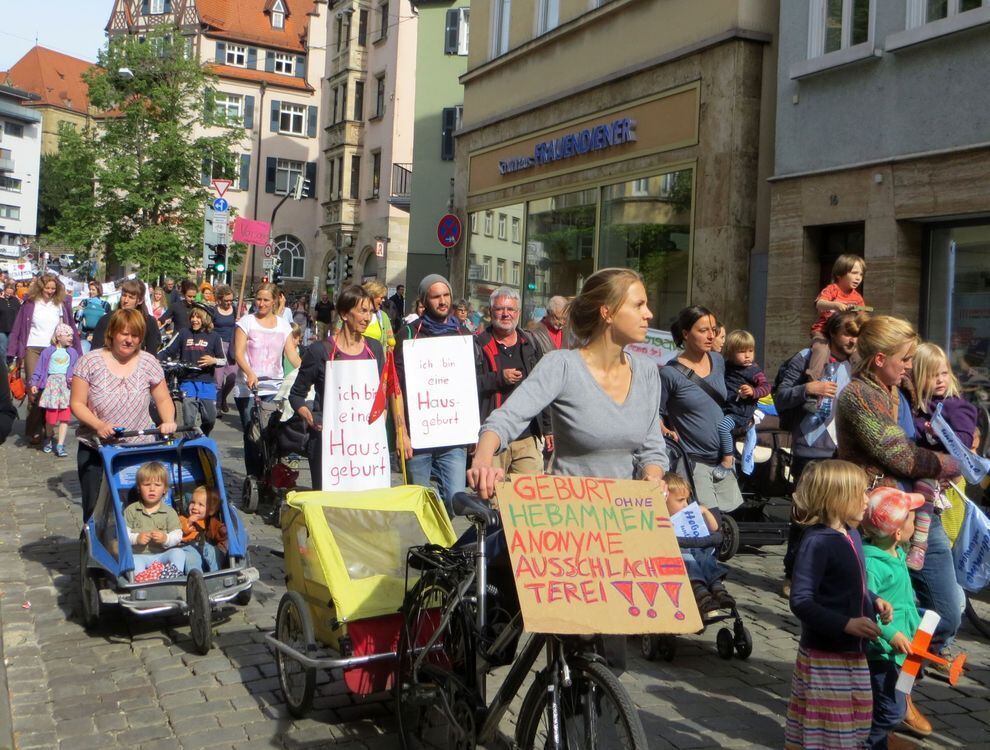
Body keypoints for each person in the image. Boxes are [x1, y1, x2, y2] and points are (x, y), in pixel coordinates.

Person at [468, 267, 668, 673]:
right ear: (607, 312)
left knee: (610, 661)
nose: (649, 314)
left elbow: (652, 445)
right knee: (517, 635)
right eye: (639, 304)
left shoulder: (647, 373)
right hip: (565, 528)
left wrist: (653, 477)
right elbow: (506, 420)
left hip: (618, 528)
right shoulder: (563, 366)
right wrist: (484, 458)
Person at [835, 315, 963, 681]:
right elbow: (901, 456)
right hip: (879, 522)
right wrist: (952, 463)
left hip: (920, 512)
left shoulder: (900, 391)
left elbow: (945, 405)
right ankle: (895, 688)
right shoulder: (858, 396)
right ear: (879, 359)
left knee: (948, 611)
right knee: (884, 607)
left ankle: (906, 674)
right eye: (904, 358)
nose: (910, 365)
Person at [785, 459, 892, 750]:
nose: (867, 498)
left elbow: (853, 585)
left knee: (852, 723)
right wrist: (846, 624)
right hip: (827, 653)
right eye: (861, 492)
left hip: (853, 653)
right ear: (838, 497)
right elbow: (801, 601)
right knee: (831, 728)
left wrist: (874, 599)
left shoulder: (853, 534)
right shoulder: (817, 542)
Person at [774, 310, 865, 593]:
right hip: (811, 446)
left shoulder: (859, 365)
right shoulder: (806, 357)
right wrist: (807, 388)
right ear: (833, 333)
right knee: (805, 512)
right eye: (848, 333)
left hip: (844, 449)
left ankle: (830, 574)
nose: (853, 340)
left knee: (842, 514)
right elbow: (780, 397)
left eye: (857, 335)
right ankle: (793, 572)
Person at [70, 309, 177, 520]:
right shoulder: (89, 362)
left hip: (137, 447)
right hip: (97, 447)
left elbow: (163, 398)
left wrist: (168, 421)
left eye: (135, 336)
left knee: (139, 510)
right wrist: (99, 425)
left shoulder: (148, 362)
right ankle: (94, 546)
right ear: (112, 333)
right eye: (124, 334)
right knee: (94, 511)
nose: (129, 340)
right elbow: (77, 403)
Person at [290, 285, 385, 490]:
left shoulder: (374, 350)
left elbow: (380, 394)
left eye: (370, 311)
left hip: (365, 445)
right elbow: (296, 395)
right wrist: (311, 417)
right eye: (362, 311)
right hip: (328, 444)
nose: (367, 318)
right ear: (343, 314)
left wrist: (381, 419)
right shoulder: (319, 351)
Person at [395, 275, 472, 514]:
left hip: (453, 436)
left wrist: (472, 431)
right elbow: (396, 387)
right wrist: (402, 432)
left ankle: (442, 542)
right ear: (424, 300)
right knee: (419, 500)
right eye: (436, 296)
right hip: (418, 437)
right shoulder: (409, 334)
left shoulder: (462, 334)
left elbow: (470, 385)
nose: (442, 301)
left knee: (455, 499)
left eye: (446, 295)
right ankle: (431, 547)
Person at [861, 486, 928, 749]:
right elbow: (864, 607)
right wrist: (890, 634)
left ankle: (879, 736)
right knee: (890, 709)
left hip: (902, 645)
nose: (917, 521)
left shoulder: (896, 552)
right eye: (912, 518)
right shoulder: (872, 564)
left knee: (890, 701)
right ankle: (871, 742)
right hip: (882, 651)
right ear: (898, 533)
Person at [659, 306, 743, 512]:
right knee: (709, 524)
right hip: (694, 462)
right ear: (686, 334)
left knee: (728, 526)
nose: (710, 336)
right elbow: (655, 413)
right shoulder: (670, 373)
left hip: (724, 458)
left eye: (713, 330)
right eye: (703, 330)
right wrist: (666, 430)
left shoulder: (718, 361)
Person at [474, 286, 551, 475]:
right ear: (491, 312)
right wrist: (498, 378)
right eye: (500, 309)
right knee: (492, 499)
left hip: (528, 436)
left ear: (518, 313)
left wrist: (548, 428)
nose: (506, 314)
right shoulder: (477, 344)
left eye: (511, 310)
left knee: (529, 498)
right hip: (492, 437)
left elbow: (545, 387)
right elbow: (468, 386)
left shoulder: (531, 343)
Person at [232, 283, 300, 478]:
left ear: (275, 301)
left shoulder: (283, 325)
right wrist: (249, 372)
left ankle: (269, 473)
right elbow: (238, 353)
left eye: (266, 300)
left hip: (274, 385)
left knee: (271, 433)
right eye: (258, 299)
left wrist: (308, 370)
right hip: (249, 387)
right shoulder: (247, 322)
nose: (261, 304)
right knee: (253, 434)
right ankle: (254, 476)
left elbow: (292, 356)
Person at [8, 273, 82, 445]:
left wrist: (76, 352)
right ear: (40, 288)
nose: (49, 291)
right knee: (34, 390)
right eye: (47, 288)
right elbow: (18, 328)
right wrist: (14, 352)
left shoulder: (61, 305)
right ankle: (33, 429)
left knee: (50, 390)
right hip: (33, 349)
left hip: (54, 351)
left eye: (52, 289)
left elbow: (70, 327)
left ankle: (44, 427)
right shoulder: (29, 304)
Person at [664, 472, 733, 614]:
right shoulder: (663, 520)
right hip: (678, 556)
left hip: (698, 550)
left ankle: (718, 588)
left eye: (687, 500)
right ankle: (700, 591)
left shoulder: (691, 515)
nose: (685, 504)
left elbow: (714, 529)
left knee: (705, 557)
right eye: (680, 500)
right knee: (688, 558)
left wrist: (706, 512)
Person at [158, 307, 225, 436]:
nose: (194, 320)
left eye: (198, 317)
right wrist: (153, 358)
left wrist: (213, 360)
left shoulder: (214, 336)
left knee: (210, 418)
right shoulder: (184, 333)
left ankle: (202, 436)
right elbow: (168, 350)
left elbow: (223, 360)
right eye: (193, 317)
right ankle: (190, 443)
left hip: (207, 382)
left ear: (206, 319)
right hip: (187, 381)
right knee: (188, 420)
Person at [714, 329, 770, 480]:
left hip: (740, 412)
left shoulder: (753, 370)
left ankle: (727, 460)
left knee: (723, 427)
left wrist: (752, 391)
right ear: (731, 353)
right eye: (742, 351)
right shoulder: (726, 366)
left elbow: (766, 387)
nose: (747, 355)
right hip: (727, 408)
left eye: (750, 351)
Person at [808, 254, 867, 384]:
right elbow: (819, 303)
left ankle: (859, 383)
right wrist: (834, 304)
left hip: (845, 334)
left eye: (861, 274)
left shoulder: (857, 297)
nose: (858, 278)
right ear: (840, 274)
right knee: (821, 349)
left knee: (858, 354)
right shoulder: (832, 289)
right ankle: (813, 380)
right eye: (854, 273)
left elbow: (862, 317)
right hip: (823, 331)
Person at [125, 462, 186, 577]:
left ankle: (172, 578)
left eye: (157, 485)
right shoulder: (131, 510)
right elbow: (123, 534)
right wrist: (136, 538)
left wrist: (166, 539)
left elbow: (177, 535)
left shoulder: (169, 512)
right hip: (139, 554)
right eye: (147, 485)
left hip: (163, 554)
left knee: (178, 553)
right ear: (139, 488)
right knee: (133, 562)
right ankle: (143, 580)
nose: (152, 489)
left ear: (164, 489)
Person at [29, 323, 78, 458]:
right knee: (51, 419)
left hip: (65, 388)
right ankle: (49, 436)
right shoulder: (48, 351)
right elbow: (39, 368)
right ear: (58, 336)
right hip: (51, 387)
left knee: (65, 418)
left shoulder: (73, 353)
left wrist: (74, 379)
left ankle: (60, 445)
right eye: (67, 335)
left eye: (72, 335)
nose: (71, 337)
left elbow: (76, 369)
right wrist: (34, 382)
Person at [90, 279, 162, 354]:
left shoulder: (149, 322)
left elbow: (151, 355)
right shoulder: (107, 320)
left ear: (140, 300)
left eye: (131, 297)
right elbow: (95, 352)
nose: (126, 300)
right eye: (124, 295)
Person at [179, 485, 228, 573]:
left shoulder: (211, 522)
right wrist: (188, 523)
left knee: (212, 550)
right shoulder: (183, 518)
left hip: (205, 551)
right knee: (192, 558)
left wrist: (224, 531)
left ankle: (216, 573)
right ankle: (196, 579)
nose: (195, 507)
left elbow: (221, 533)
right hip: (188, 547)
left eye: (200, 504)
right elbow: (179, 531)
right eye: (192, 502)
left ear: (210, 510)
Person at [211, 285, 238, 414]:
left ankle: (224, 398)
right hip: (218, 346)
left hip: (232, 345)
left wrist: (239, 321)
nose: (229, 303)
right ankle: (217, 406)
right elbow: (210, 328)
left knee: (233, 376)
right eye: (226, 300)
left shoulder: (235, 310)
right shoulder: (214, 311)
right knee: (218, 379)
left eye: (230, 300)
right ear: (220, 299)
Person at [75, 281, 110, 355]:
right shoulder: (84, 302)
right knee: (83, 355)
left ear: (99, 290)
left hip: (98, 336)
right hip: (84, 335)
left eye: (93, 290)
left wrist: (94, 335)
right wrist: (78, 311)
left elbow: (107, 323)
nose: (91, 291)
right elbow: (77, 319)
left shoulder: (105, 305)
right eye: (90, 289)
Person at [362, 280, 394, 351]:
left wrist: (390, 347)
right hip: (359, 360)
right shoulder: (354, 313)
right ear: (372, 296)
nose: (383, 301)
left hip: (378, 360)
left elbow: (390, 339)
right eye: (381, 297)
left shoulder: (383, 316)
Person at [0, 281, 22, 362]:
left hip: (13, 329)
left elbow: (20, 313)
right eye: (7, 292)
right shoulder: (0, 300)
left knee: (10, 349)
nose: (9, 294)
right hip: (1, 329)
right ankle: (3, 367)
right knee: (2, 349)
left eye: (10, 293)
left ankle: (9, 364)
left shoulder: (16, 301)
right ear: (4, 290)